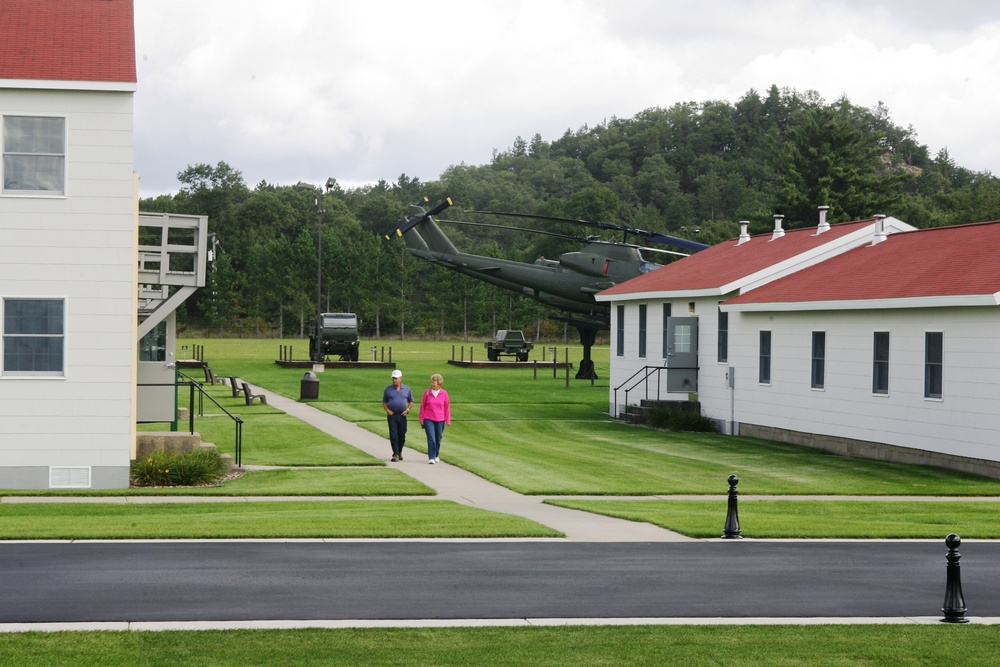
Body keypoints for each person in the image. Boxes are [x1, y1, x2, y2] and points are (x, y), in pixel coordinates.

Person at [419, 373, 451, 464]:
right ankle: (431, 457)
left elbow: (447, 407)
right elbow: (422, 406)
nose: (432, 384)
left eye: (434, 382)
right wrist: (421, 419)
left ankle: (436, 454)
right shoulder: (427, 393)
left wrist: (448, 419)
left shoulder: (444, 393)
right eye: (432, 382)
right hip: (428, 418)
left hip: (440, 419)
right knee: (431, 438)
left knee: (438, 438)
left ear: (439, 383)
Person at [382, 369, 413, 462]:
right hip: (392, 415)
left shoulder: (407, 389)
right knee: (394, 435)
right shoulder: (388, 389)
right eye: (393, 378)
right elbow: (384, 402)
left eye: (396, 378)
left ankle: (399, 451)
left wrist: (407, 409)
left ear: (401, 378)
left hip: (402, 415)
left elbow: (411, 401)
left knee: (402, 435)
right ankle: (395, 454)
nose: (395, 380)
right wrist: (387, 410)